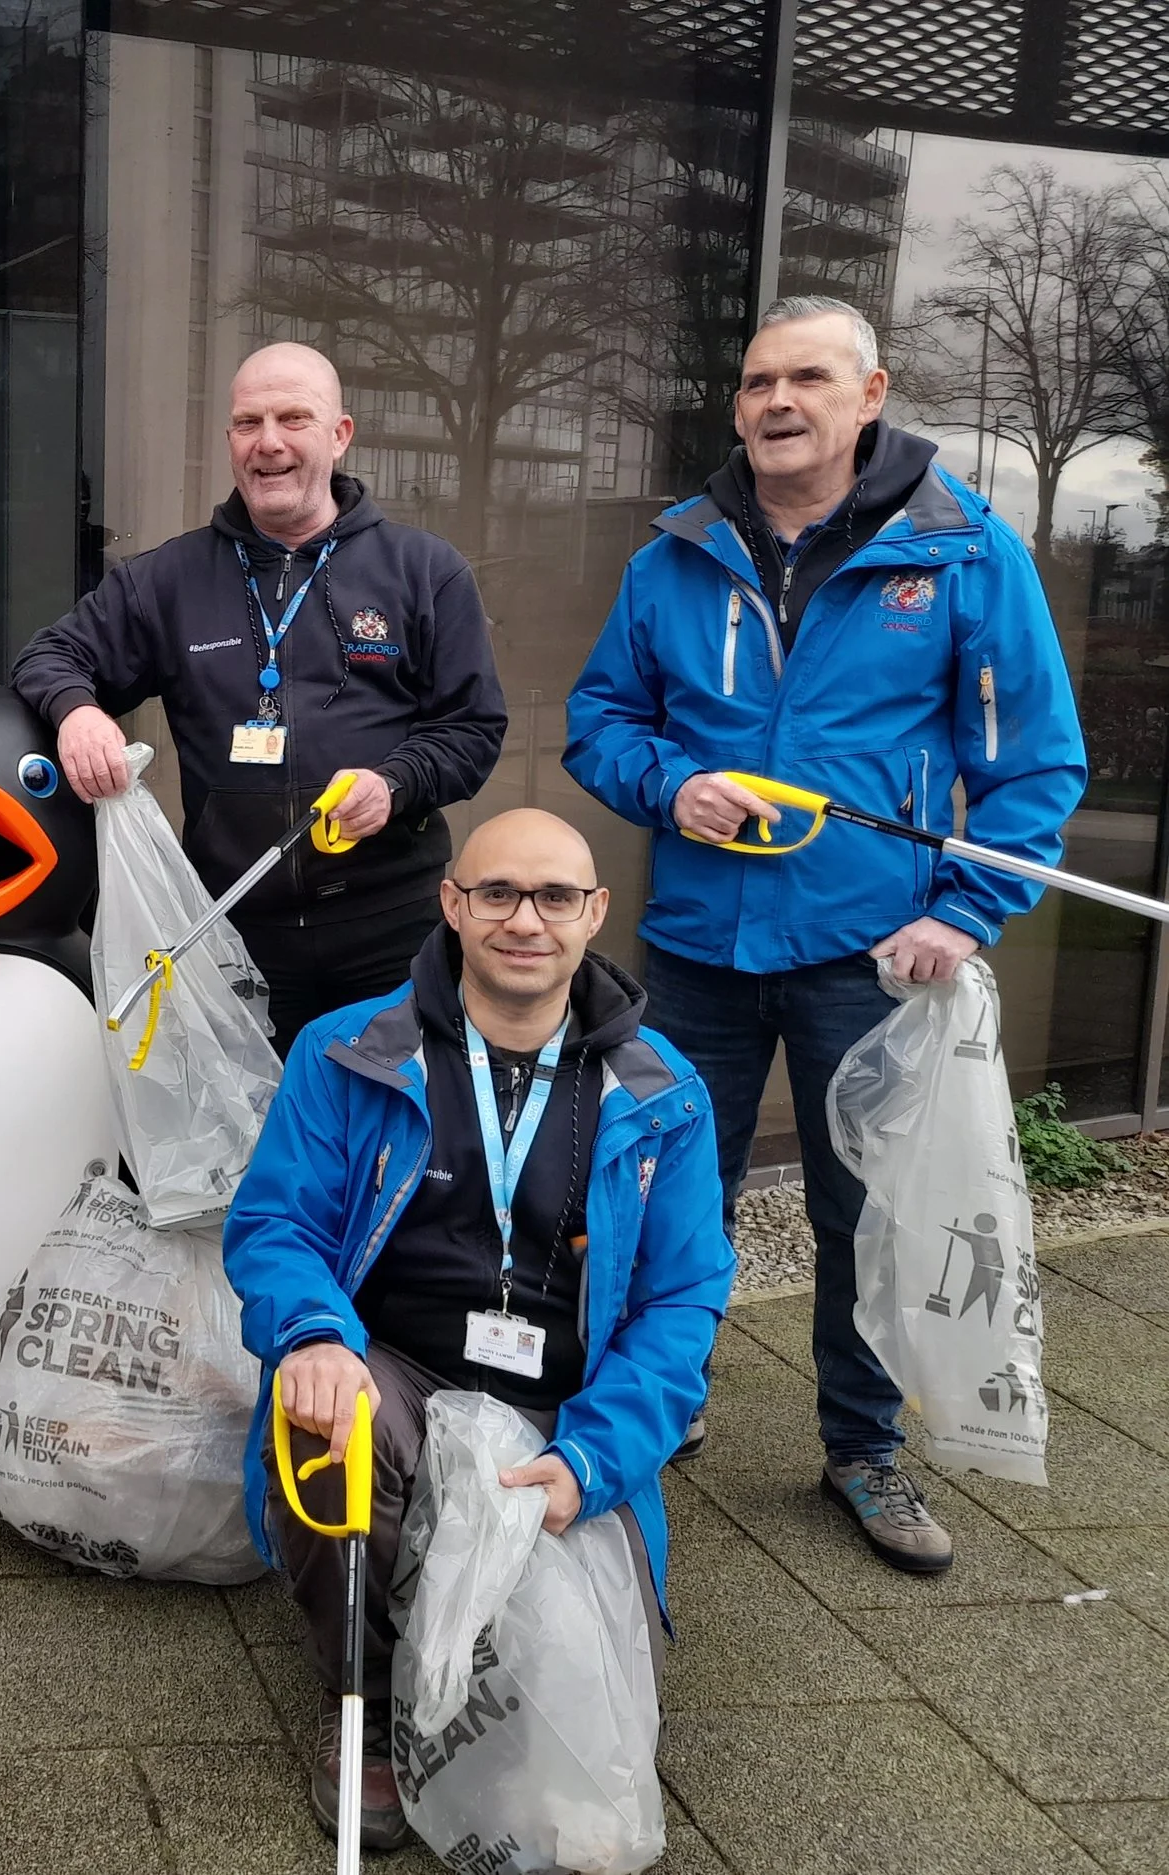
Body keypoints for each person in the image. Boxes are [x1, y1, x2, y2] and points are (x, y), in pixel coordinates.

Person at [565, 295, 1086, 1572]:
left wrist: (962, 916)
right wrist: (669, 787)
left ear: (870, 395)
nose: (777, 403)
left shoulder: (962, 556)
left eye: (807, 379)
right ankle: (655, 1409)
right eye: (756, 384)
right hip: (697, 946)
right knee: (664, 1189)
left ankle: (862, 1448)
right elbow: (598, 722)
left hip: (872, 956)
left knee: (866, 1214)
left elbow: (1033, 770)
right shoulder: (673, 556)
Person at [224, 809, 732, 1849]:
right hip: (393, 1365)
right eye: (495, 892)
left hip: (563, 1397)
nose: (523, 920)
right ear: (452, 904)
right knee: (328, 1439)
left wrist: (596, 1459)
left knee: (579, 1737)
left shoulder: (661, 1093)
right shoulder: (348, 1052)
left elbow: (683, 1305)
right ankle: (362, 1704)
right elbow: (275, 1224)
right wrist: (315, 1335)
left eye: (554, 897)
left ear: (594, 914)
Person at [11, 342, 507, 1048]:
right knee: (251, 1144)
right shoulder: (169, 580)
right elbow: (51, 654)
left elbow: (472, 728)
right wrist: (78, 710)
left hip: (391, 931)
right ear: (230, 441)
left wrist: (396, 784)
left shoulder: (424, 571)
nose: (267, 443)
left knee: (392, 1134)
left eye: (293, 418)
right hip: (235, 930)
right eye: (248, 423)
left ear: (339, 436)